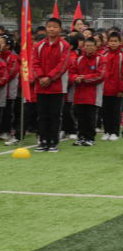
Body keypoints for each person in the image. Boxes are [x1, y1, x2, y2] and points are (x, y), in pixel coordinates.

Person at [31, 17, 73, 152]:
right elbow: (34, 63)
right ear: (46, 28)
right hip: (41, 87)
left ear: (60, 29)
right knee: (42, 115)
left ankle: (53, 141)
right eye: (49, 26)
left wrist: (49, 77)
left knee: (55, 115)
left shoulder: (64, 46)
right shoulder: (38, 46)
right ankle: (43, 141)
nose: (51, 29)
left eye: (55, 27)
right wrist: (41, 77)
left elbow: (63, 65)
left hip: (57, 87)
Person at [69, 37, 106, 146]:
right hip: (79, 94)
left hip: (93, 95)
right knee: (80, 116)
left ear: (96, 47)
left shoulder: (101, 59)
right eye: (86, 45)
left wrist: (84, 78)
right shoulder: (79, 59)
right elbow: (71, 72)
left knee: (90, 117)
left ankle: (90, 138)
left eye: (91, 45)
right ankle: (81, 137)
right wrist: (75, 78)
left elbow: (100, 75)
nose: (88, 48)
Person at [101, 32, 123, 141]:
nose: (113, 43)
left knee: (115, 112)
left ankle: (115, 132)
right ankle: (107, 131)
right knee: (105, 111)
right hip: (105, 88)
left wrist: (122, 89)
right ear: (107, 42)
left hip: (117, 90)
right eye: (111, 41)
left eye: (115, 41)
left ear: (120, 42)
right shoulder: (104, 54)